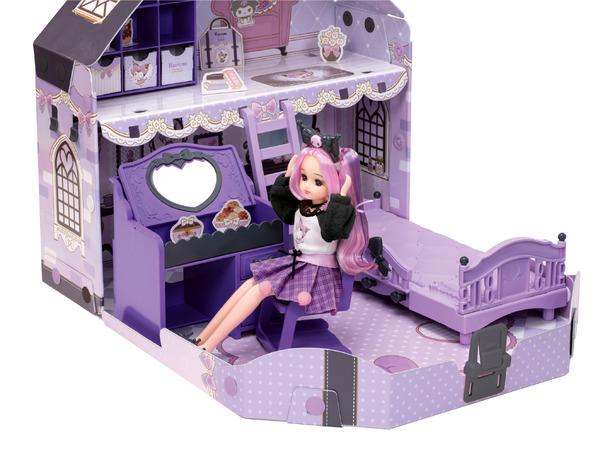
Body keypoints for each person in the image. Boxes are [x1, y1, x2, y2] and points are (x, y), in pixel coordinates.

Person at [195, 133, 374, 353]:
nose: (307, 186)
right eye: (304, 177)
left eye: (318, 181)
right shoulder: (305, 206)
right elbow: (284, 210)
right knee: (249, 285)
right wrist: (287, 177)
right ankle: (202, 339)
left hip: (317, 276)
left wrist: (341, 200)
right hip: (299, 265)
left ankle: (208, 348)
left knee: (258, 290)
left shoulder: (332, 213)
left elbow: (332, 231)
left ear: (335, 182)